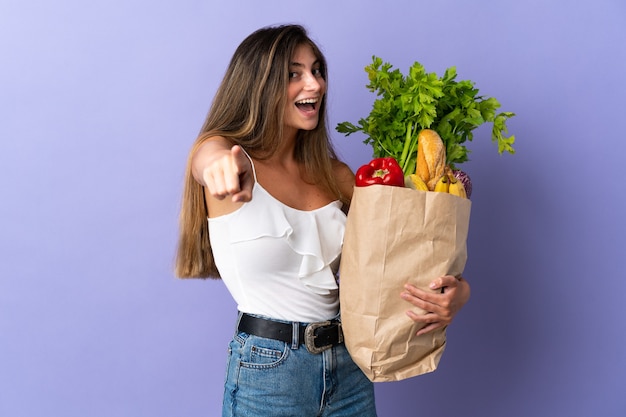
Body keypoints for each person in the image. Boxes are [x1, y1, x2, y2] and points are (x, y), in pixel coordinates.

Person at [175, 24, 470, 417]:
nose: (314, 84)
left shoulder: (338, 175)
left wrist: (458, 294)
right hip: (270, 373)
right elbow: (208, 156)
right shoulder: (234, 163)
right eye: (293, 74)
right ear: (257, 85)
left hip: (350, 366)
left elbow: (398, 255)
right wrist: (214, 164)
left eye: (318, 70)